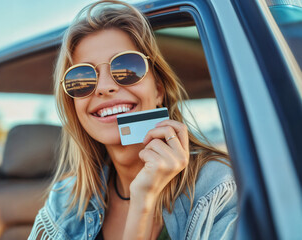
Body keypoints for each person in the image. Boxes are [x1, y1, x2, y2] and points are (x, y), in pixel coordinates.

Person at [29, 1, 237, 239]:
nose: (105, 87)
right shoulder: (66, 199)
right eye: (83, 78)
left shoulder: (219, 189)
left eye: (126, 67)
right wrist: (142, 203)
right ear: (74, 105)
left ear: (158, 90)